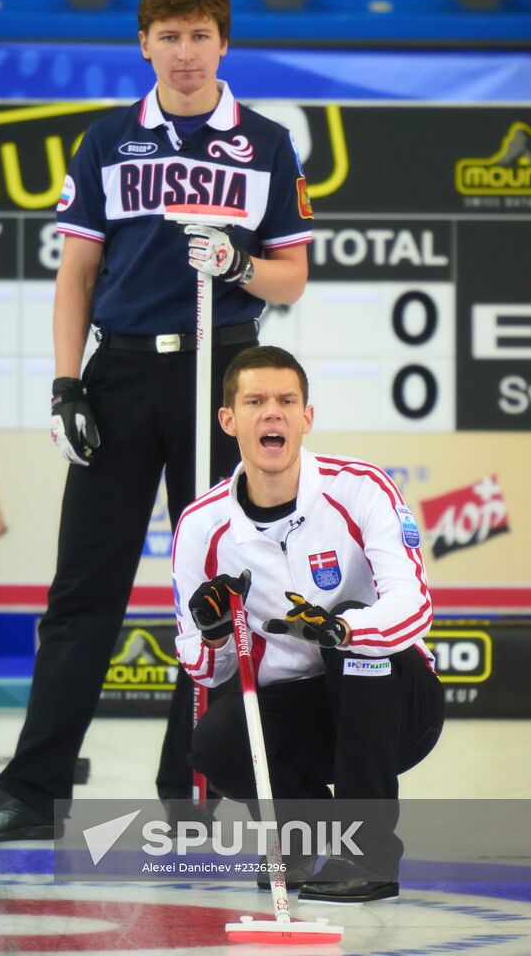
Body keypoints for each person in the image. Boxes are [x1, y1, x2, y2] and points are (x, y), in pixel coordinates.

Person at [0, 0, 312, 843]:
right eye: (169, 36)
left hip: (223, 374)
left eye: (200, 35)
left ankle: (193, 788)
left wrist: (239, 268)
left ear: (225, 44)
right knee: (82, 594)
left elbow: (291, 273)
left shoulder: (265, 144)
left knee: (217, 588)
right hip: (123, 373)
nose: (185, 53)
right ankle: (32, 796)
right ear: (143, 45)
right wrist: (68, 385)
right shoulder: (109, 140)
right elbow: (75, 275)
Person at [172, 344, 445, 903]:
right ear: (229, 420)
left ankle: (368, 854)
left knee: (352, 635)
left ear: (307, 417)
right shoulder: (202, 526)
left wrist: (342, 632)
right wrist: (215, 631)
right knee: (217, 741)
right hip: (301, 713)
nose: (272, 412)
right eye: (255, 401)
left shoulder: (360, 488)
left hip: (395, 708)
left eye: (286, 400)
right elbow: (203, 668)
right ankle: (302, 832)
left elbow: (414, 605)